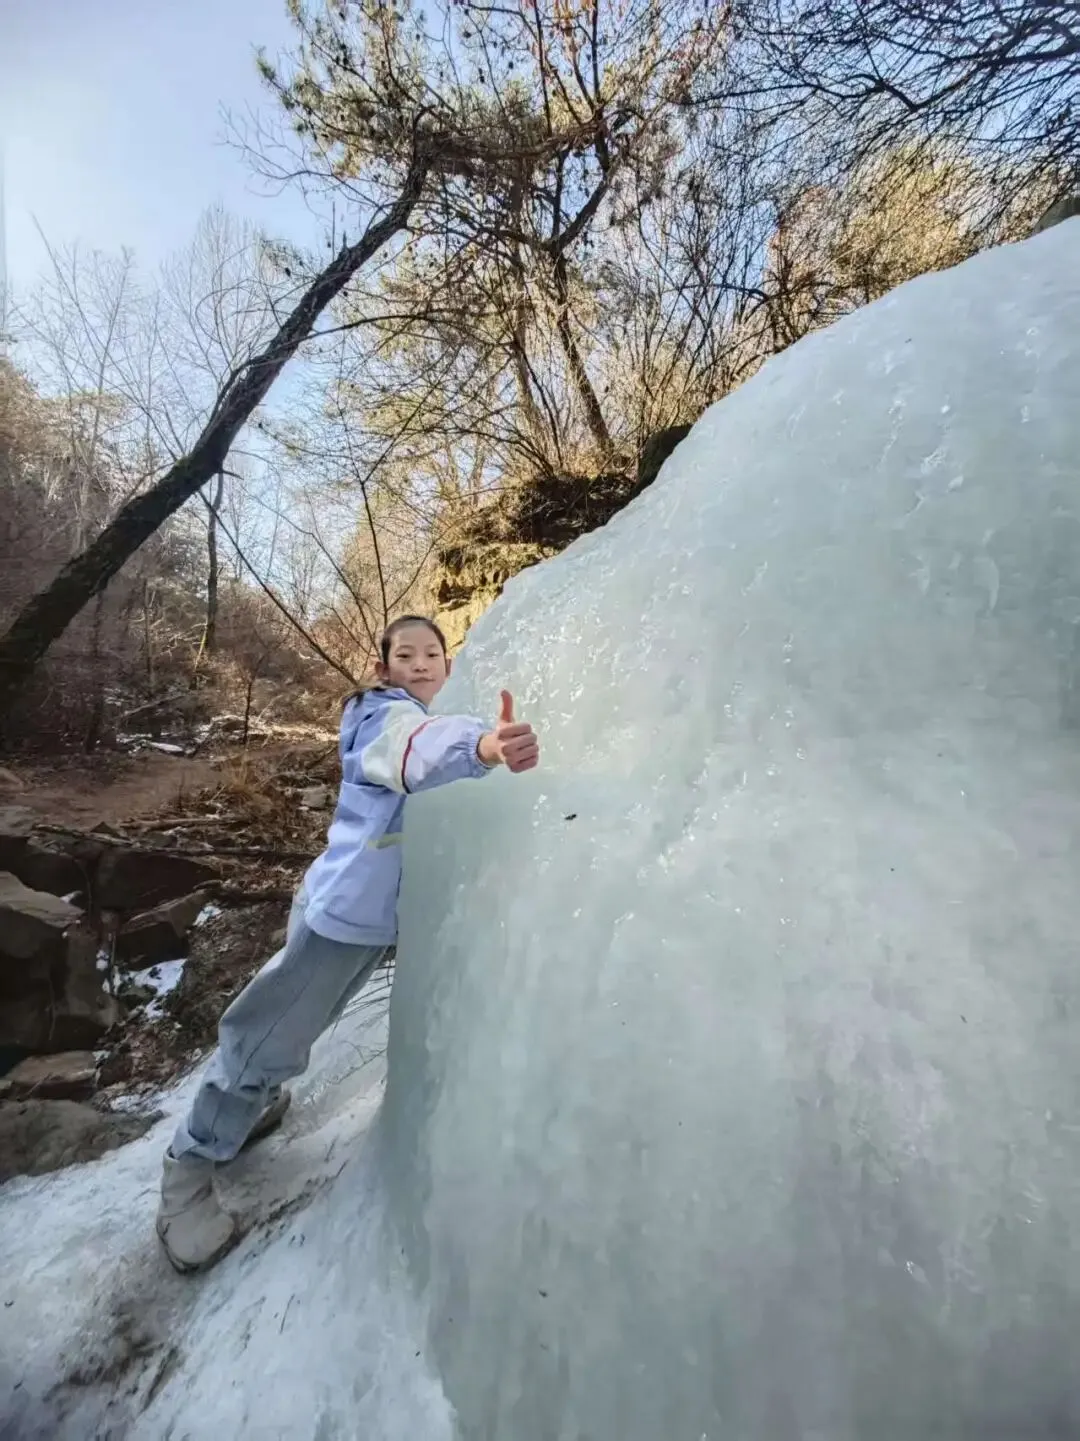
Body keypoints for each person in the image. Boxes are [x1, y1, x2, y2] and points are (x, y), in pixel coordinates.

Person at [156, 615, 540, 1273]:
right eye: (405, 655)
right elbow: (411, 749)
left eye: (432, 653)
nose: (421, 664)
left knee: (289, 1027)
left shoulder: (422, 712)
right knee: (266, 1037)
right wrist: (482, 746)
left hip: (356, 914)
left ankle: (249, 1109)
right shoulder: (377, 715)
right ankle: (187, 1171)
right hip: (342, 917)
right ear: (383, 669)